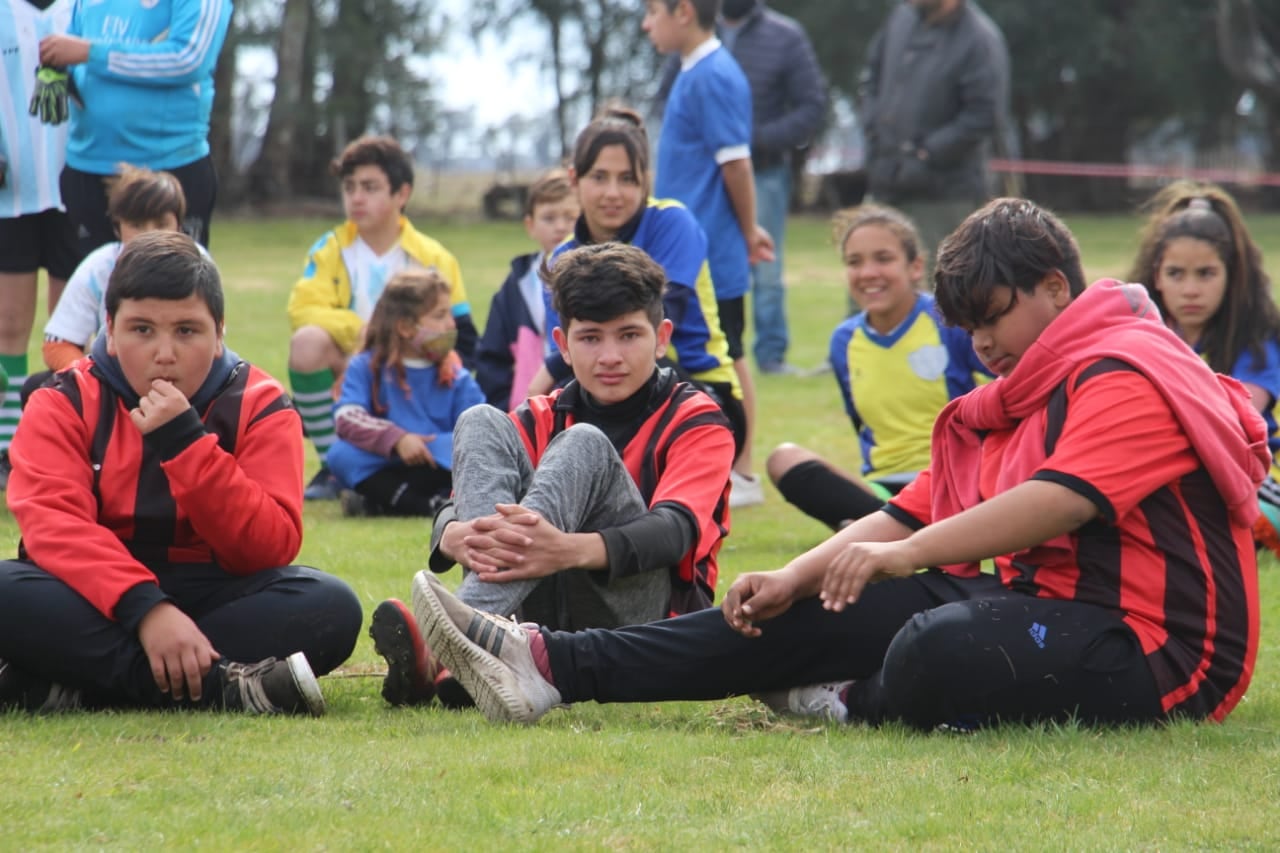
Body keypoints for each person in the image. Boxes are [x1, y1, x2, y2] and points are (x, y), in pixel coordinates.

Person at [406, 197, 1266, 732]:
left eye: (994, 317)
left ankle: (851, 696)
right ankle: (545, 663)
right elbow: (926, 502)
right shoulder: (1035, 379)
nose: (983, 344)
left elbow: (1058, 501)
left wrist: (894, 558)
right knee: (798, 605)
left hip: (1159, 651)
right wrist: (796, 572)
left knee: (933, 647)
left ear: (1054, 286)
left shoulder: (1129, 368)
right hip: (1048, 600)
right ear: (564, 346)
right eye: (967, 327)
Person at [0, 231, 363, 715]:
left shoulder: (260, 403)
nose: (164, 353)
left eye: (187, 331)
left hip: (215, 593)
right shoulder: (62, 400)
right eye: (141, 329)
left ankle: (75, 686)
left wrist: (186, 445)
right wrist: (148, 610)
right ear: (108, 327)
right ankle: (224, 688)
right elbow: (55, 529)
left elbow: (269, 545)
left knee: (331, 606)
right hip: (94, 597)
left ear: (220, 334)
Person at [367, 243, 735, 709]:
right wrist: (453, 534)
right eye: (590, 338)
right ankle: (478, 641)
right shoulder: (540, 414)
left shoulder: (697, 419)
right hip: (539, 612)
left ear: (661, 338)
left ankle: (450, 642)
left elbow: (675, 532)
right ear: (562, 344)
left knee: (584, 442)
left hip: (649, 623)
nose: (610, 356)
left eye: (628, 336)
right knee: (480, 419)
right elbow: (458, 505)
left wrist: (566, 551)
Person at [526, 109, 748, 464]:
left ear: (645, 182)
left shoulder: (672, 222)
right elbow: (572, 349)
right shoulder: (561, 258)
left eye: (627, 179)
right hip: (604, 397)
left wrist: (547, 373)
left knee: (634, 343)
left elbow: (660, 315)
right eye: (599, 177)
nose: (613, 193)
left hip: (699, 389)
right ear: (574, 179)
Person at [768, 204, 988, 531]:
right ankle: (889, 524)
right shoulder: (844, 340)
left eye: (883, 259)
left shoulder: (949, 323)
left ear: (915, 267)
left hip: (953, 482)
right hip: (883, 489)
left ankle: (879, 530)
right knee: (781, 459)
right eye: (855, 262)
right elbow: (862, 425)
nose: (868, 272)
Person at [286, 135, 477, 501]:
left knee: (463, 439)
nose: (356, 198)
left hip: (425, 379)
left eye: (370, 187)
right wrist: (371, 340)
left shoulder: (434, 257)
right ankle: (332, 466)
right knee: (307, 344)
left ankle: (413, 485)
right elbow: (304, 310)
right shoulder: (330, 249)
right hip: (361, 371)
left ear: (401, 194)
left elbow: (463, 335)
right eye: (350, 187)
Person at [644, 0, 774, 507]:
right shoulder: (692, 69)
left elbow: (736, 164)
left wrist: (747, 231)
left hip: (712, 253)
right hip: (687, 250)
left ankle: (741, 472)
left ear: (683, 12)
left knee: (729, 354)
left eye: (652, 10)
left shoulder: (714, 74)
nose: (645, 22)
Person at [1128, 181, 1280, 554]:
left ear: (1231, 276)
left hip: (1240, 476)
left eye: (1206, 274)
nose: (1191, 289)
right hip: (1153, 469)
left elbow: (1234, 417)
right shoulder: (1135, 333)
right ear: (1156, 275)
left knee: (1263, 515)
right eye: (1177, 273)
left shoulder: (1257, 339)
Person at [37, 0, 231, 253]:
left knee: (170, 282)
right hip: (87, 164)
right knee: (95, 282)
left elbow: (188, 59)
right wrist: (57, 70)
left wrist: (93, 53)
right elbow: (72, 47)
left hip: (166, 166)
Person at [719, 0, 827, 374]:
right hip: (707, 177)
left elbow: (811, 105)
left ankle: (770, 356)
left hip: (763, 171)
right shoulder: (698, 30)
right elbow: (667, 97)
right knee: (704, 263)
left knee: (765, 264)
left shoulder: (785, 36)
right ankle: (714, 352)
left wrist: (759, 140)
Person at [326, 269, 485, 518]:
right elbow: (347, 417)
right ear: (405, 327)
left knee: (466, 449)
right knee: (341, 455)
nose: (451, 325)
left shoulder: (454, 374)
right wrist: (397, 439)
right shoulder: (366, 367)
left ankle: (379, 504)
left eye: (450, 315)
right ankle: (429, 506)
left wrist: (438, 447)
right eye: (440, 316)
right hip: (385, 459)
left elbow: (481, 428)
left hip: (438, 462)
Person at [858, 0, 1010, 262]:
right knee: (870, 284)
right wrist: (874, 129)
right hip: (885, 183)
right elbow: (871, 77)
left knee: (937, 289)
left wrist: (925, 154)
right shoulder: (900, 19)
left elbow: (984, 115)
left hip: (943, 196)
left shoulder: (978, 39)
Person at [0, 0, 78, 490]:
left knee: (66, 332)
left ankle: (63, 445)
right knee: (8, 326)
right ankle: (6, 446)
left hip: (78, 188)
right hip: (11, 195)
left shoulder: (84, 9)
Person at [27, 165, 187, 401]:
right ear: (116, 227)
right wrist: (95, 380)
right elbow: (58, 343)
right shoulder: (98, 269)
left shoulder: (198, 268)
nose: (149, 235)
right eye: (137, 225)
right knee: (37, 387)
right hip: (110, 379)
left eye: (161, 223)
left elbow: (212, 343)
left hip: (181, 380)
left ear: (179, 226)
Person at [474, 169, 579, 409]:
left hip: (577, 408)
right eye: (549, 218)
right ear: (530, 225)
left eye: (570, 217)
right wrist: (505, 411)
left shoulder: (598, 275)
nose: (560, 227)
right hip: (526, 412)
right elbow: (492, 358)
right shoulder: (515, 286)